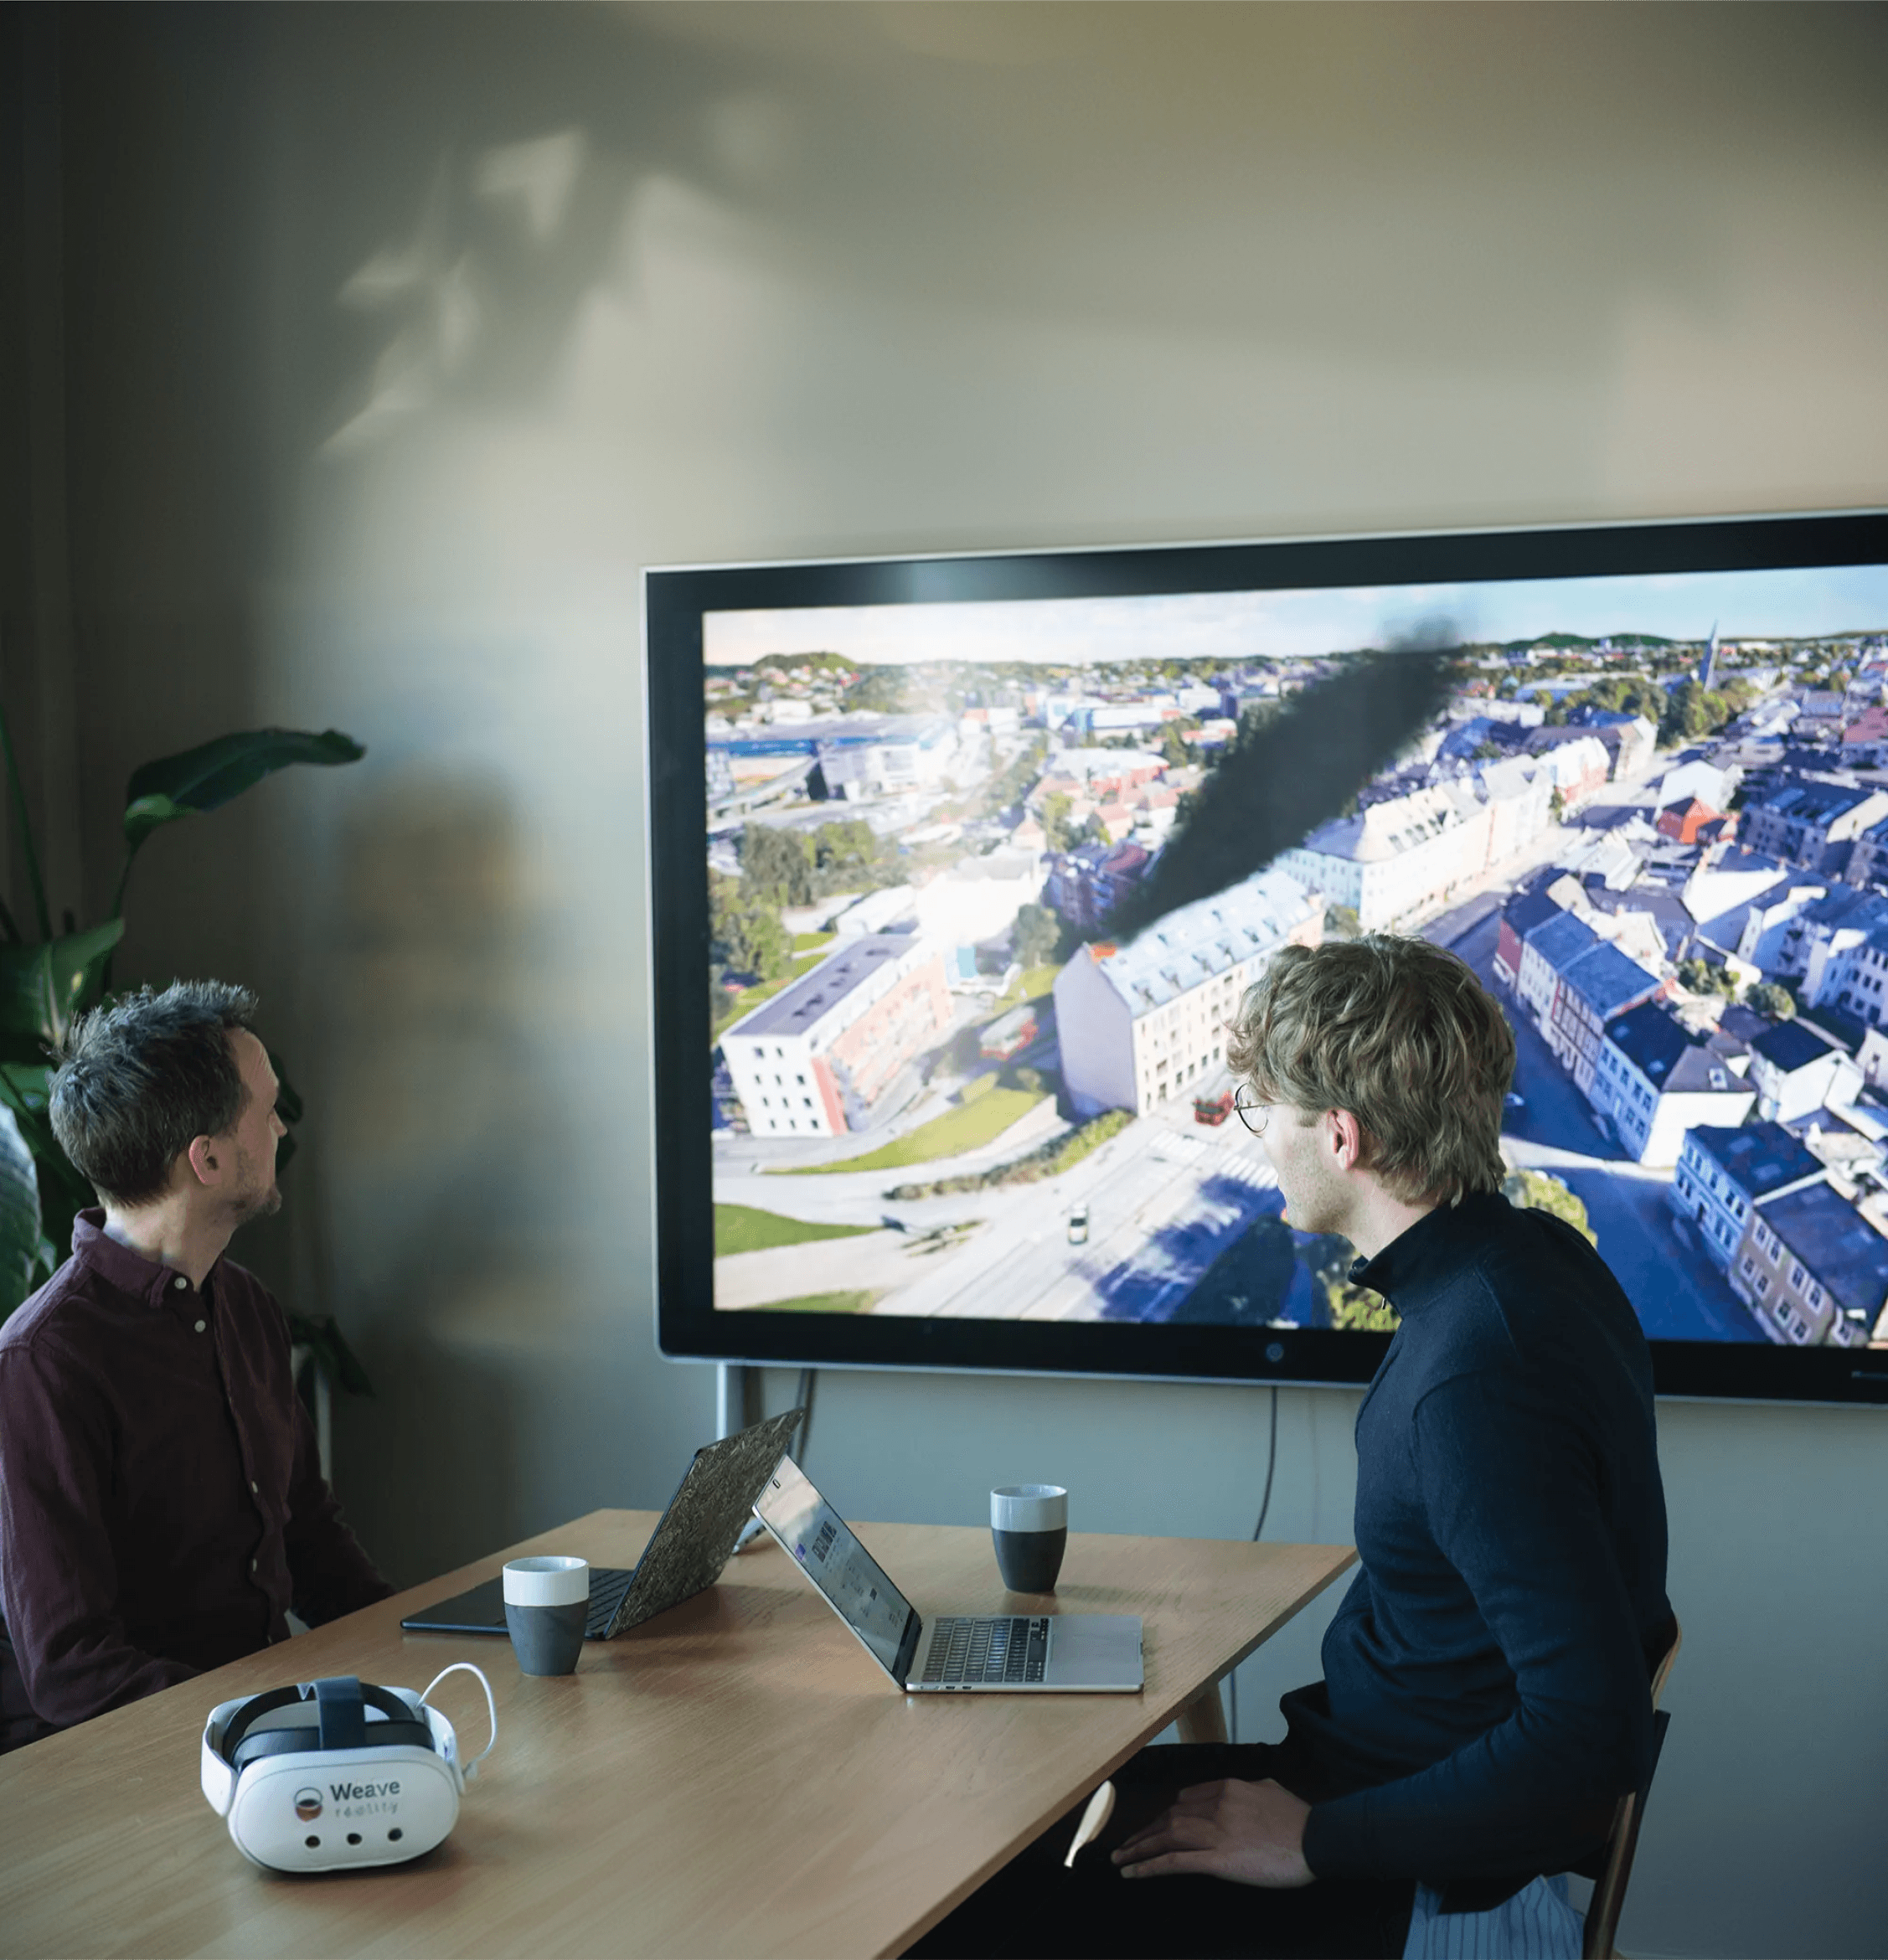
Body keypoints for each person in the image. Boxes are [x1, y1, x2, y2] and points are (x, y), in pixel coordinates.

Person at [912, 935, 1673, 1959]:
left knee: (951, 1909)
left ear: (1343, 1138)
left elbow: (1589, 1740)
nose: (1253, 1134)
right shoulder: (1529, 1261)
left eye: (1262, 1112)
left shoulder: (1476, 1374)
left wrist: (1313, 1840)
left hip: (1395, 1867)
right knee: (1000, 1832)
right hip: (1371, 1790)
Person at [0, 980, 389, 1752]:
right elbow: (74, 1670)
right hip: (110, 1775)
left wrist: (425, 1657)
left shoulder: (246, 1308)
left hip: (251, 1738)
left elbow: (310, 1540)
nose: (282, 1126)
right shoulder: (41, 1364)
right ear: (207, 1160)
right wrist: (265, 1730)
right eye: (267, 1109)